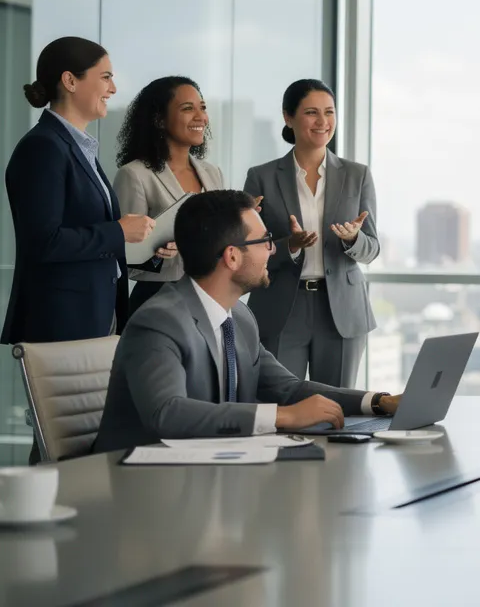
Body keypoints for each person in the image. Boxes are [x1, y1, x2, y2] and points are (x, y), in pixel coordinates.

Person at [94, 190, 402, 453]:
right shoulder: (160, 321)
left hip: (212, 472)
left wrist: (378, 402)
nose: (272, 249)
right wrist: (282, 417)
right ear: (232, 257)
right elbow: (167, 413)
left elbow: (289, 390)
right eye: (265, 240)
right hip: (139, 487)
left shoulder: (239, 317)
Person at [3, 36, 153, 346]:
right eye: (106, 77)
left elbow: (92, 239)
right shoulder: (43, 147)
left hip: (96, 316)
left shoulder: (77, 148)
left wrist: (148, 245)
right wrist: (119, 231)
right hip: (62, 323)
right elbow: (44, 242)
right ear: (70, 81)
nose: (113, 89)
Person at [242, 79, 378, 388]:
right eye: (311, 113)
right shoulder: (260, 177)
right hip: (280, 307)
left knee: (337, 409)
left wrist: (353, 239)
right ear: (288, 117)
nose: (323, 122)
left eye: (329, 112)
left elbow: (372, 248)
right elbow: (246, 246)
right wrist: (288, 245)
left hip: (341, 310)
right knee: (278, 404)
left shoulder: (358, 175)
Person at [113, 75, 227, 317]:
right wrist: (158, 255)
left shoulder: (212, 172)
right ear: (159, 120)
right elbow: (127, 260)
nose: (200, 117)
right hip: (159, 302)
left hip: (210, 298)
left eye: (202, 108)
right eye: (187, 108)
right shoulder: (134, 175)